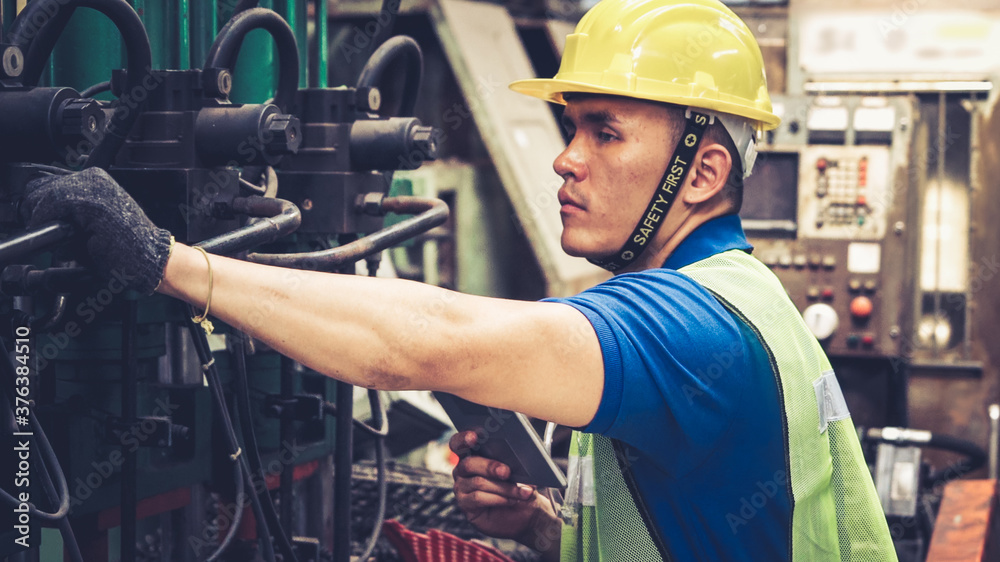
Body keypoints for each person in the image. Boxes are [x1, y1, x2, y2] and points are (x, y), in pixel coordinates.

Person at [19, 0, 896, 560]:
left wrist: (168, 262)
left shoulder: (691, 331)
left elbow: (424, 343)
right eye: (570, 128)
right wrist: (542, 533)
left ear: (700, 174)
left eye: (604, 132)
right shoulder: (737, 296)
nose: (565, 160)